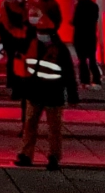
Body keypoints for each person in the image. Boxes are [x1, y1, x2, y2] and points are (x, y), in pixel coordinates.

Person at [12, 19, 79, 170]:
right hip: (36, 91)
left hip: (52, 93)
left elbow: (69, 73)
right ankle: (25, 154)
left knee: (53, 128)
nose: (41, 35)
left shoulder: (59, 49)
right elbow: (21, 67)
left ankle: (53, 156)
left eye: (44, 32)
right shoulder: (30, 45)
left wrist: (72, 94)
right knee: (30, 125)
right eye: (39, 32)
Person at [71, 0, 102, 89]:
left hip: (80, 36)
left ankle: (85, 80)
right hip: (90, 36)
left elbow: (76, 21)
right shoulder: (94, 6)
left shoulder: (79, 6)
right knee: (92, 59)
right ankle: (96, 79)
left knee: (83, 60)